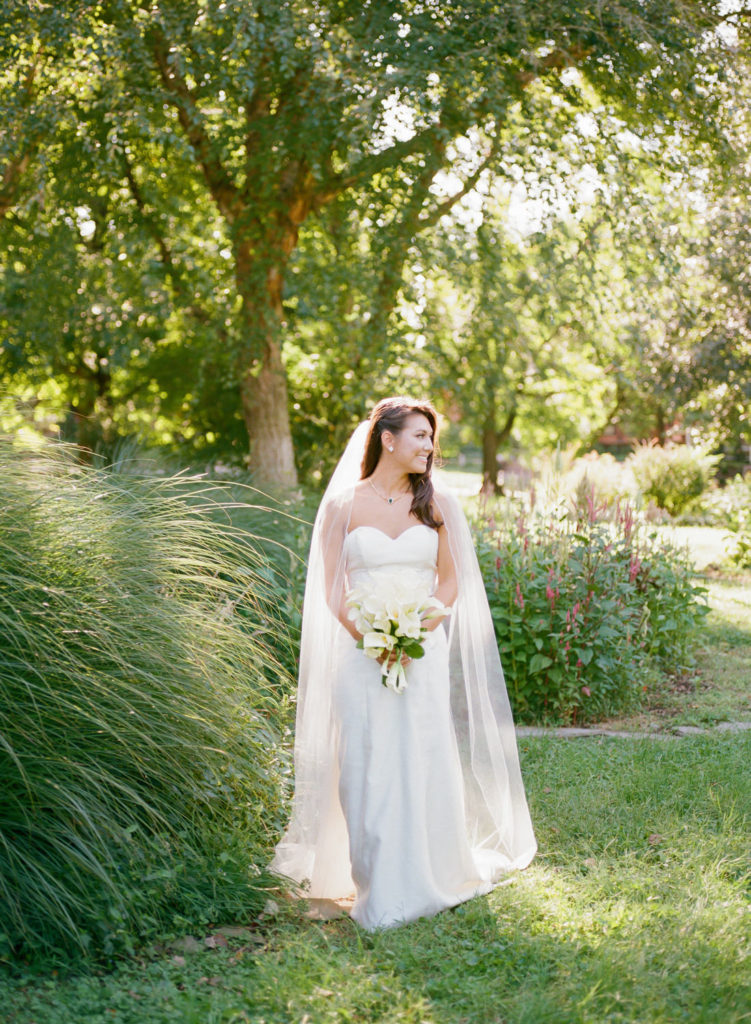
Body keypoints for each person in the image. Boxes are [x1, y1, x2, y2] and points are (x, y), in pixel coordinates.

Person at [270, 397, 536, 930]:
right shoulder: (344, 505)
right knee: (367, 765)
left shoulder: (438, 505)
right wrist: (370, 637)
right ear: (387, 439)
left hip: (422, 650)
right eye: (420, 436)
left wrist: (415, 631)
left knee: (423, 757)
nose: (429, 447)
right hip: (360, 654)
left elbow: (451, 580)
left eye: (431, 438)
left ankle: (427, 873)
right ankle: (375, 881)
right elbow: (331, 588)